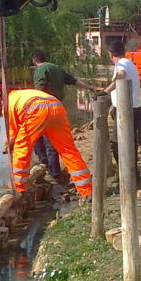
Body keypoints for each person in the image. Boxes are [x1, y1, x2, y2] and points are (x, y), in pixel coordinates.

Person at [0, 84, 92, 200]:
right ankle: (87, 190)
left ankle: (18, 186)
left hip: (36, 111)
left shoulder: (7, 105)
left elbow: (12, 133)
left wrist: (8, 144)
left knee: (21, 148)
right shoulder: (22, 94)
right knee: (68, 150)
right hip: (57, 107)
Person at [30, 49, 96, 182]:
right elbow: (74, 81)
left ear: (34, 61)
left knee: (38, 137)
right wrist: (90, 87)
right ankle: (54, 170)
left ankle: (49, 169)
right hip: (58, 108)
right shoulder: (57, 68)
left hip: (44, 109)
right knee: (52, 141)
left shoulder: (40, 69)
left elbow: (40, 89)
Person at [100, 41, 141, 183]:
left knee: (117, 144)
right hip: (131, 108)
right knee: (129, 144)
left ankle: (128, 177)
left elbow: (121, 75)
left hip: (126, 111)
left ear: (111, 54)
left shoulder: (121, 64)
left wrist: (105, 91)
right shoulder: (129, 62)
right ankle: (132, 176)